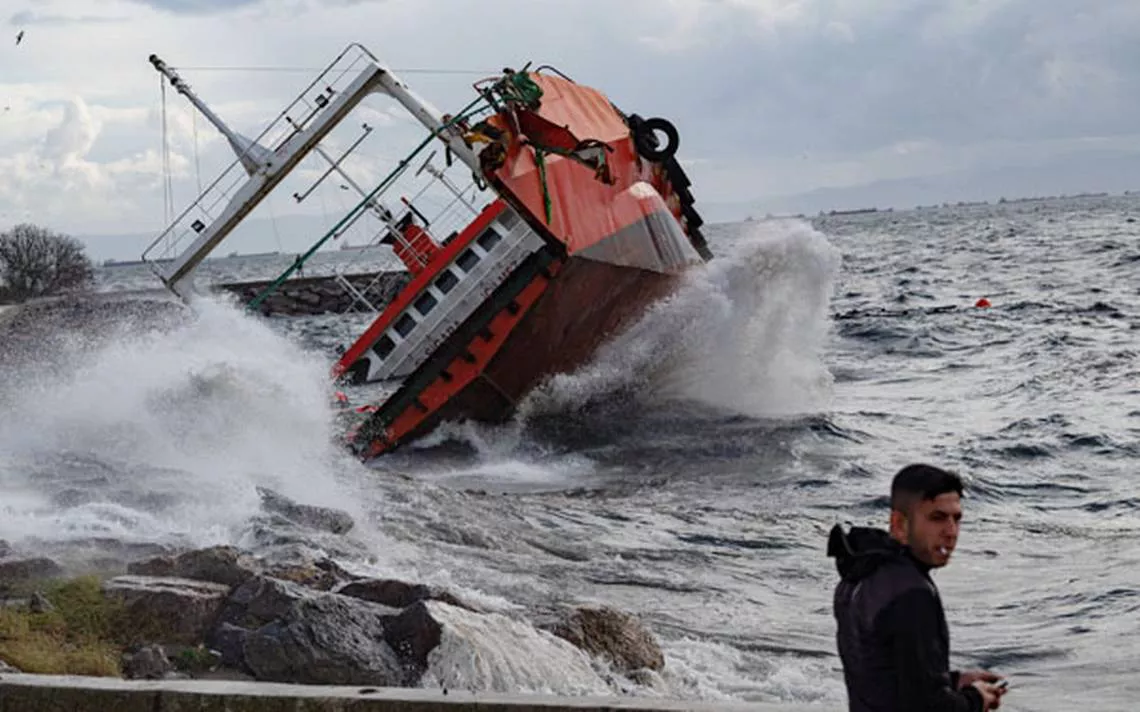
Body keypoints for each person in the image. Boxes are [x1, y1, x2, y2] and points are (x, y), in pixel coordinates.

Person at [827, 463, 1008, 711]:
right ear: (899, 524)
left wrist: (953, 681)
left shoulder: (859, 576)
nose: (951, 532)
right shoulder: (913, 593)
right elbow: (928, 707)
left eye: (956, 519)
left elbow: (885, 677)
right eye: (937, 518)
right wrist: (976, 699)